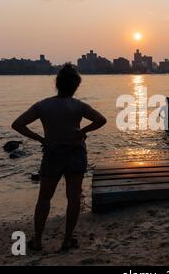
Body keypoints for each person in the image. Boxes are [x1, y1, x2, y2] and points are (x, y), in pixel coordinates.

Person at [12, 63, 107, 251]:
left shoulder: (43, 105)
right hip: (75, 152)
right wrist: (82, 131)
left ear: (57, 83)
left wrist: (40, 138)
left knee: (44, 198)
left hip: (52, 153)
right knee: (73, 198)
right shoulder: (78, 106)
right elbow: (101, 120)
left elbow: (18, 124)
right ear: (75, 86)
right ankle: (67, 240)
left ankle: (37, 241)